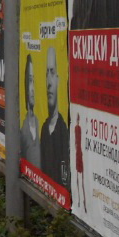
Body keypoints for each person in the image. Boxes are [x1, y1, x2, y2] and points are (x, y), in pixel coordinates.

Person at [40, 47, 69, 187]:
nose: (49, 81)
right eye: (47, 73)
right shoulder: (44, 129)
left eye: (52, 72)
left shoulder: (65, 131)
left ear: (58, 79)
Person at [20, 54, 41, 169]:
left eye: (34, 81)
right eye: (30, 81)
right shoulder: (22, 129)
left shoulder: (41, 123)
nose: (32, 88)